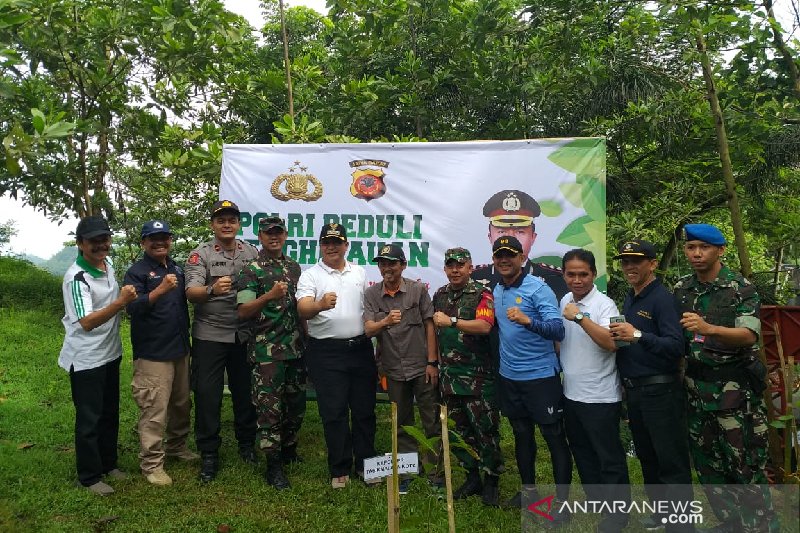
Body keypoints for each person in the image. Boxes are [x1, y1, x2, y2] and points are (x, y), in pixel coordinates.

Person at [674, 224, 776, 533]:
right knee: (709, 466)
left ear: (720, 250)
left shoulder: (739, 287)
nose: (696, 253)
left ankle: (760, 526)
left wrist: (709, 329)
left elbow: (748, 334)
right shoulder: (682, 288)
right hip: (696, 392)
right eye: (691, 247)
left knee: (745, 466)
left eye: (703, 247)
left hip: (735, 395)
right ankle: (732, 523)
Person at [609, 240, 693, 532]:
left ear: (653, 264)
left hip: (661, 390)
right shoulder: (633, 297)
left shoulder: (662, 299)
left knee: (671, 461)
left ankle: (681, 525)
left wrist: (638, 334)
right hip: (635, 390)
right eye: (625, 261)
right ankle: (662, 516)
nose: (629, 267)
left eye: (637, 261)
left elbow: (675, 346)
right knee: (649, 457)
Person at [491, 236, 572, 520]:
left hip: (540, 378)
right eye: (499, 255)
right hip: (510, 377)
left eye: (509, 255)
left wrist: (528, 321)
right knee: (522, 435)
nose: (504, 260)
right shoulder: (498, 289)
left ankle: (562, 504)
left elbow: (557, 330)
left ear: (521, 257)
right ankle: (529, 493)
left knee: (554, 437)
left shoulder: (539, 289)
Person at [59, 215, 137, 495]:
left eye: (104, 239)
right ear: (80, 244)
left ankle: (109, 463)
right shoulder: (76, 278)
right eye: (94, 241)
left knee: (109, 412)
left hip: (109, 352)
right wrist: (122, 302)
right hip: (86, 357)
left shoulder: (108, 265)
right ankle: (90, 476)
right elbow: (87, 321)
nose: (101, 245)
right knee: (89, 417)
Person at [296, 222, 377, 489]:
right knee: (334, 412)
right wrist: (319, 305)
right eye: (326, 242)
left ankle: (366, 465)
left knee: (365, 410)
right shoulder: (311, 275)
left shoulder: (360, 272)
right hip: (326, 352)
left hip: (360, 348)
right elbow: (303, 309)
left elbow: (370, 309)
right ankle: (339, 467)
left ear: (346, 245)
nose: (332, 247)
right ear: (320, 245)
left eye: (337, 242)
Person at [185, 200, 259, 482]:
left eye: (231, 220)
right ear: (212, 225)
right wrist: (212, 289)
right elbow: (191, 292)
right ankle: (208, 453)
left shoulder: (250, 252)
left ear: (238, 224)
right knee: (207, 394)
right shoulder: (200, 254)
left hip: (243, 333)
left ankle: (246, 444)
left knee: (245, 392)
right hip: (210, 335)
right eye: (221, 221)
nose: (226, 225)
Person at [559, 248, 629, 532]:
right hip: (571, 393)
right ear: (563, 275)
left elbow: (613, 343)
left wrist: (579, 317)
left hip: (600, 395)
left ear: (594, 275)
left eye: (583, 274)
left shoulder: (605, 305)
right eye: (571, 274)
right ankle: (598, 502)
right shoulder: (565, 300)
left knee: (608, 456)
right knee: (583, 453)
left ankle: (618, 514)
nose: (577, 280)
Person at [124, 220, 196, 487]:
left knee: (181, 404)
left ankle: (177, 447)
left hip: (179, 348)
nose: (160, 242)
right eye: (153, 238)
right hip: (153, 353)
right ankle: (152, 464)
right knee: (154, 409)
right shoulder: (137, 272)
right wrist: (161, 290)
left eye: (164, 237)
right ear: (143, 242)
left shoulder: (176, 267)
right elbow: (132, 308)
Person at [364, 244, 441, 493]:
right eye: (382, 263)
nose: (387, 268)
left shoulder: (417, 290)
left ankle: (435, 473)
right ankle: (408, 469)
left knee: (431, 419)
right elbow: (368, 330)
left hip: (421, 365)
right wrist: (385, 321)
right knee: (402, 421)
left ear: (403, 265)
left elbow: (430, 326)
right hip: (393, 368)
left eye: (392, 263)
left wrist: (432, 362)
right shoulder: (372, 294)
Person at [237, 216, 306, 490]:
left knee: (296, 406)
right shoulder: (250, 270)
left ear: (285, 234)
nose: (273, 237)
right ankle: (273, 465)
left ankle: (289, 450)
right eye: (268, 233)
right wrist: (269, 296)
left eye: (278, 232)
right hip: (267, 353)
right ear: (260, 236)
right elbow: (243, 311)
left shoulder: (294, 267)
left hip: (295, 349)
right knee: (269, 411)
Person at [431, 247, 503, 506]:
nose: (455, 270)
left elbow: (484, 326)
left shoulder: (481, 294)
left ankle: (492, 480)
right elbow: (432, 328)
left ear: (470, 267)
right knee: (459, 431)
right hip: (450, 376)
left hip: (478, 378)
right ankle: (472, 477)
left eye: (460, 265)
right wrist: (433, 362)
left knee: (485, 431)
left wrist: (451, 321)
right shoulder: (440, 295)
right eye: (450, 265)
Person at [471, 189, 568, 299]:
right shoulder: (473, 278)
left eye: (520, 232)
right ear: (490, 237)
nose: (511, 238)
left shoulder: (554, 278)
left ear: (533, 237)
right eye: (502, 231)